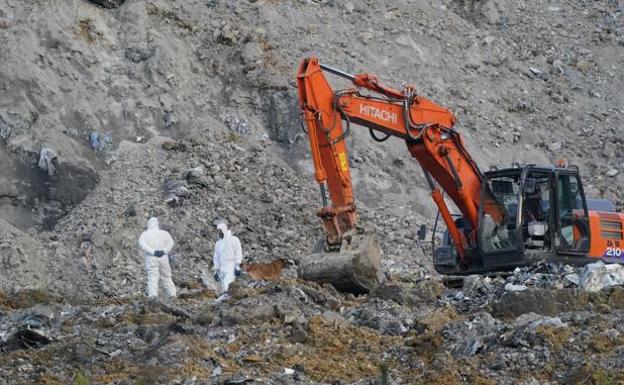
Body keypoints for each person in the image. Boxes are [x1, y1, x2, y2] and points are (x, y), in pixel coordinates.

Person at [138, 217, 177, 299]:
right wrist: (164, 251)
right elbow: (171, 243)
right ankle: (172, 294)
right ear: (157, 224)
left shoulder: (144, 234)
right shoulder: (164, 233)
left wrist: (153, 251)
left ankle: (153, 295)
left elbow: (143, 245)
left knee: (152, 276)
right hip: (163, 257)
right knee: (166, 276)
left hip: (151, 257)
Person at [212, 221, 243, 296]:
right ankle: (224, 302)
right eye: (218, 231)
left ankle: (227, 298)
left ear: (224, 230)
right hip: (222, 268)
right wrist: (216, 270)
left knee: (227, 284)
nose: (219, 233)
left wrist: (238, 266)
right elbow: (216, 257)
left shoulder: (234, 240)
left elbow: (238, 253)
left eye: (220, 231)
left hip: (231, 266)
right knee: (222, 287)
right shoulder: (218, 243)